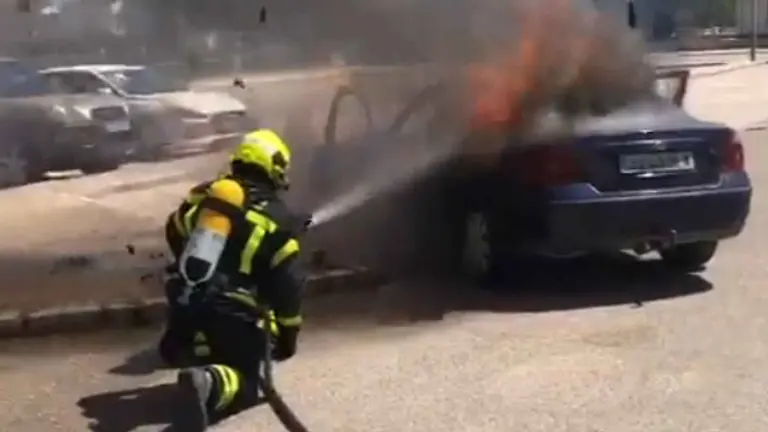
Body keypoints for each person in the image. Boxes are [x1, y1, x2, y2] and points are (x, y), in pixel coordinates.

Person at [161, 129, 306, 431]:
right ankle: (210, 382)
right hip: (235, 312)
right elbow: (288, 286)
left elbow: (174, 229)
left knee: (201, 330)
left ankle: (197, 350)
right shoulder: (280, 219)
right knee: (249, 382)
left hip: (185, 301)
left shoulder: (207, 196)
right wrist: (288, 336)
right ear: (273, 167)